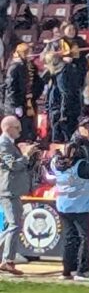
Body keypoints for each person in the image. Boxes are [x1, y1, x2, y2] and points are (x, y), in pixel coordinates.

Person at [39, 140, 89, 281]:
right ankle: (82, 270)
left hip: (64, 206)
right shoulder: (81, 165)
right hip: (80, 206)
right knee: (86, 237)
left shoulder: (56, 164)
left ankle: (67, 270)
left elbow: (49, 172)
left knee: (69, 237)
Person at [0, 114, 38, 274]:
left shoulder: (9, 144)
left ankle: (6, 258)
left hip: (12, 190)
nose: (20, 131)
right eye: (17, 128)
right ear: (8, 128)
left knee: (11, 225)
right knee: (14, 224)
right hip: (9, 190)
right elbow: (13, 165)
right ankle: (7, 260)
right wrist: (26, 155)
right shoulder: (3, 144)